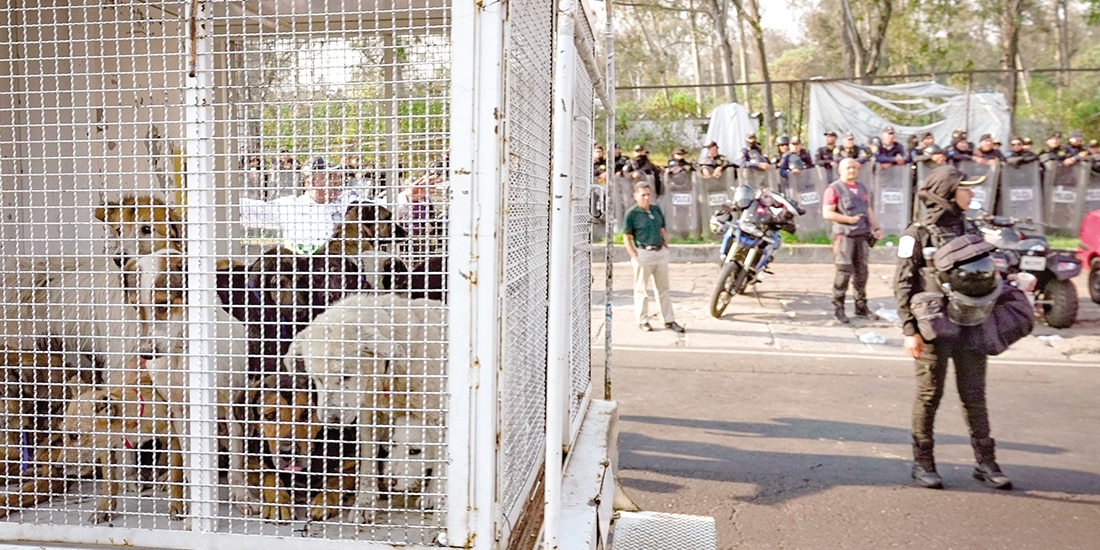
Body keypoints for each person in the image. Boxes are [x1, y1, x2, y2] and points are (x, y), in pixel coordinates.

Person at [894, 165, 1013, 491]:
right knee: (930, 395)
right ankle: (923, 464)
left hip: (973, 325)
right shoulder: (914, 233)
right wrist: (909, 330)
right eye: (966, 188)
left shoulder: (971, 230)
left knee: (974, 395)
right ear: (947, 193)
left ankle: (986, 463)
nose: (971, 194)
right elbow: (902, 283)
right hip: (933, 328)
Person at [239, 156, 356, 253]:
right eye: (330, 177)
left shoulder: (348, 204)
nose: (337, 182)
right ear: (311, 182)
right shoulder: (291, 206)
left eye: (337, 177)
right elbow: (252, 210)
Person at [822, 158, 882, 324]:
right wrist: (848, 220)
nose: (852, 171)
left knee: (862, 273)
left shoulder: (861, 187)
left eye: (855, 168)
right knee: (843, 273)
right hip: (844, 236)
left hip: (862, 235)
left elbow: (867, 209)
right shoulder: (833, 189)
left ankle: (861, 307)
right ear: (840, 170)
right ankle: (838, 308)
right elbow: (827, 213)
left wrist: (876, 228)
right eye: (848, 168)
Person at [622, 181, 684, 334]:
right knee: (642, 290)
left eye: (648, 195)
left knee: (663, 289)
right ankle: (643, 320)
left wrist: (665, 245)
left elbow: (662, 228)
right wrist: (633, 254)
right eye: (643, 195)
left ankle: (668, 319)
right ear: (635, 196)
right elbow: (626, 236)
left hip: (659, 251)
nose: (646, 198)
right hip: (643, 252)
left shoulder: (655, 210)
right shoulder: (632, 213)